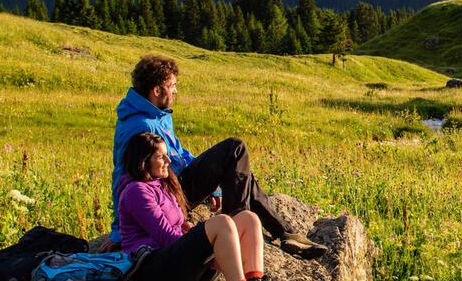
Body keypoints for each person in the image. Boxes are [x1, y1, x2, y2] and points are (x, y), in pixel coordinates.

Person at [111, 54, 323, 259]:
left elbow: (180, 153)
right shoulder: (141, 126)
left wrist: (214, 185)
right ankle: (238, 228)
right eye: (172, 85)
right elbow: (125, 174)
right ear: (157, 90)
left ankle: (284, 233)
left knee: (240, 170)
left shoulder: (157, 115)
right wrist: (120, 228)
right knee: (235, 148)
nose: (175, 91)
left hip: (175, 183)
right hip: (166, 194)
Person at [119, 132, 283, 281]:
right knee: (221, 224)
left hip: (178, 267)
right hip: (154, 274)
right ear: (143, 162)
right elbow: (167, 237)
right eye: (161, 157)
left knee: (248, 218)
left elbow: (177, 225)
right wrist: (207, 244)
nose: (169, 160)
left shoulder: (162, 183)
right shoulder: (136, 191)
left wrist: (193, 234)